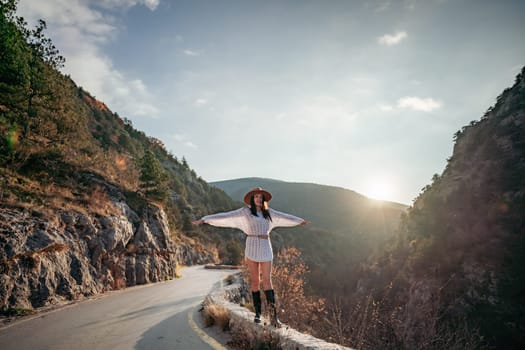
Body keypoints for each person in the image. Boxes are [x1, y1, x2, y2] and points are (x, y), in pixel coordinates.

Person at [192, 187, 310, 326]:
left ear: (263, 199)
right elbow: (226, 216)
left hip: (266, 247)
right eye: (256, 197)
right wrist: (205, 219)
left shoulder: (269, 213)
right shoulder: (245, 212)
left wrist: (299, 221)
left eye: (261, 197)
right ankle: (258, 314)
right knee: (255, 281)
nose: (258, 199)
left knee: (267, 281)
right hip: (252, 246)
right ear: (252, 199)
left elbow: (284, 217)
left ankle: (274, 317)